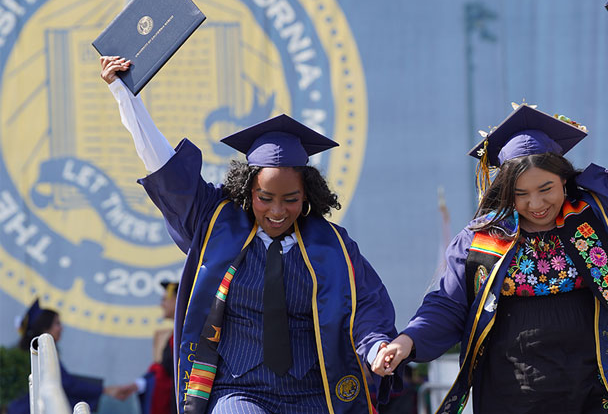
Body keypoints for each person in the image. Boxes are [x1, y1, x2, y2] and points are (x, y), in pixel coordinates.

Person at [373, 18, 608, 414]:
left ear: (564, 180)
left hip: (601, 385)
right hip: (514, 393)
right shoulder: (482, 239)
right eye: (520, 194)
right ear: (504, 192)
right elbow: (445, 306)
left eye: (546, 190)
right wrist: (406, 342)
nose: (536, 203)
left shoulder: (599, 214)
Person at [100, 57, 400, 414]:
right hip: (239, 391)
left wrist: (376, 347)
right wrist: (124, 94)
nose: (277, 211)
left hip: (314, 395)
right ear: (247, 191)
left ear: (308, 196)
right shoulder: (216, 224)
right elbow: (164, 166)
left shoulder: (332, 246)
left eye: (291, 200)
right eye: (265, 198)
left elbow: (365, 307)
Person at [7, 300, 136, 414]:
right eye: (57, 323)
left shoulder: (37, 352)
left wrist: (104, 390)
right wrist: (105, 390)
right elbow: (67, 384)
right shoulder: (36, 354)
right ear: (45, 328)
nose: (61, 328)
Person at [135, 281, 180, 414]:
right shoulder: (172, 336)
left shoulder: (185, 335)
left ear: (177, 300)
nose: (161, 304)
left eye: (165, 299)